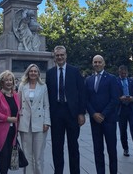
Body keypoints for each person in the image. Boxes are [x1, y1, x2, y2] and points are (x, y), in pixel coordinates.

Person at [46, 45, 86, 174]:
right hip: (56, 113)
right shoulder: (50, 73)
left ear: (66, 55)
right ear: (54, 57)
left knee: (73, 146)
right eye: (57, 55)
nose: (60, 57)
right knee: (57, 146)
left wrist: (81, 113)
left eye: (62, 55)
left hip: (72, 114)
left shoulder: (75, 71)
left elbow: (81, 93)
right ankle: (58, 171)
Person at [85, 55, 119, 174]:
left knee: (111, 150)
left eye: (99, 62)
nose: (97, 64)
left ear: (104, 64)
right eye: (95, 62)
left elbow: (115, 99)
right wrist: (93, 114)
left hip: (108, 119)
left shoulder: (111, 78)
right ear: (92, 64)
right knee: (98, 150)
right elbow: (86, 100)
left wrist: (103, 114)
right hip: (95, 121)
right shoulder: (88, 80)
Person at [18, 64, 50, 174]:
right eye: (31, 71)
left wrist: (47, 122)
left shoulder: (43, 86)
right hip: (25, 123)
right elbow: (18, 104)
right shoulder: (22, 85)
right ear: (28, 72)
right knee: (27, 154)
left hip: (40, 124)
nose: (33, 73)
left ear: (38, 74)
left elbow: (46, 105)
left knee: (38, 155)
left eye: (35, 71)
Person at [0, 70, 20, 174]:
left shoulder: (15, 95)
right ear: (2, 82)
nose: (9, 82)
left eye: (10, 80)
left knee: (10, 154)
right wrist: (8, 119)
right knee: (3, 154)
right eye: (6, 80)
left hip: (13, 130)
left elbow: (18, 111)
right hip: (1, 131)